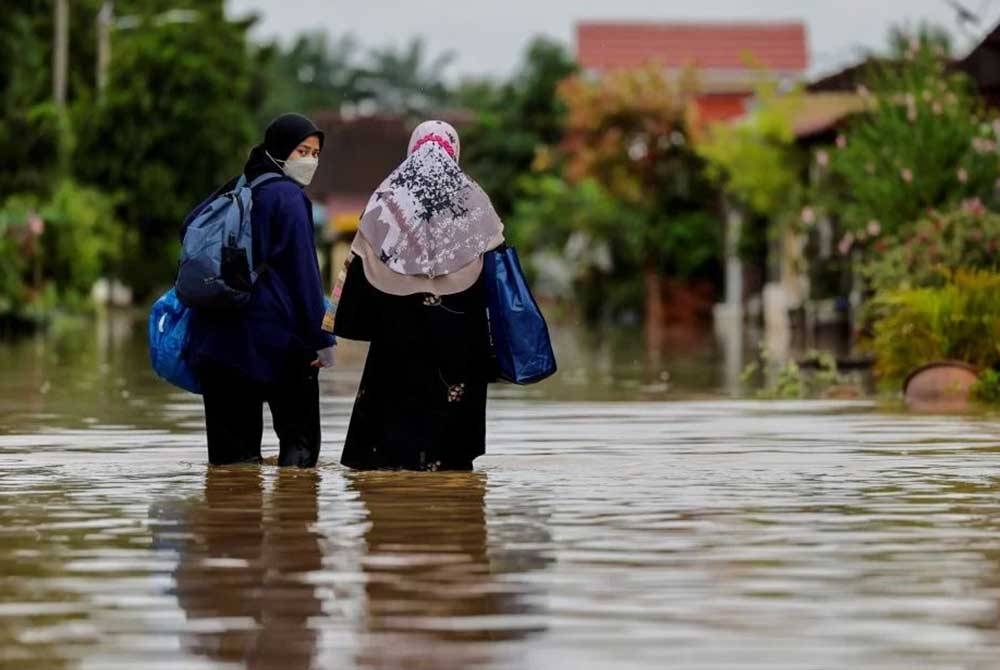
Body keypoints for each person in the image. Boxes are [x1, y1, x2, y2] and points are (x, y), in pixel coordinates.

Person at [325, 121, 504, 471]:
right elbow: (497, 277)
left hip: (398, 338)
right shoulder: (476, 204)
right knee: (452, 455)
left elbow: (356, 274)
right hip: (459, 342)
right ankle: (450, 486)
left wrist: (342, 326)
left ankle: (392, 501)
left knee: (392, 444)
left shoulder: (385, 200)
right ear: (454, 152)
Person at [184, 113, 335, 468]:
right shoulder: (289, 198)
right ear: (280, 150)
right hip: (279, 343)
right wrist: (323, 339)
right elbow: (304, 275)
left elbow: (190, 233)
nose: (310, 160)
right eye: (302, 150)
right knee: (300, 456)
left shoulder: (233, 189)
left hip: (219, 345)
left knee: (232, 468)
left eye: (315, 153)